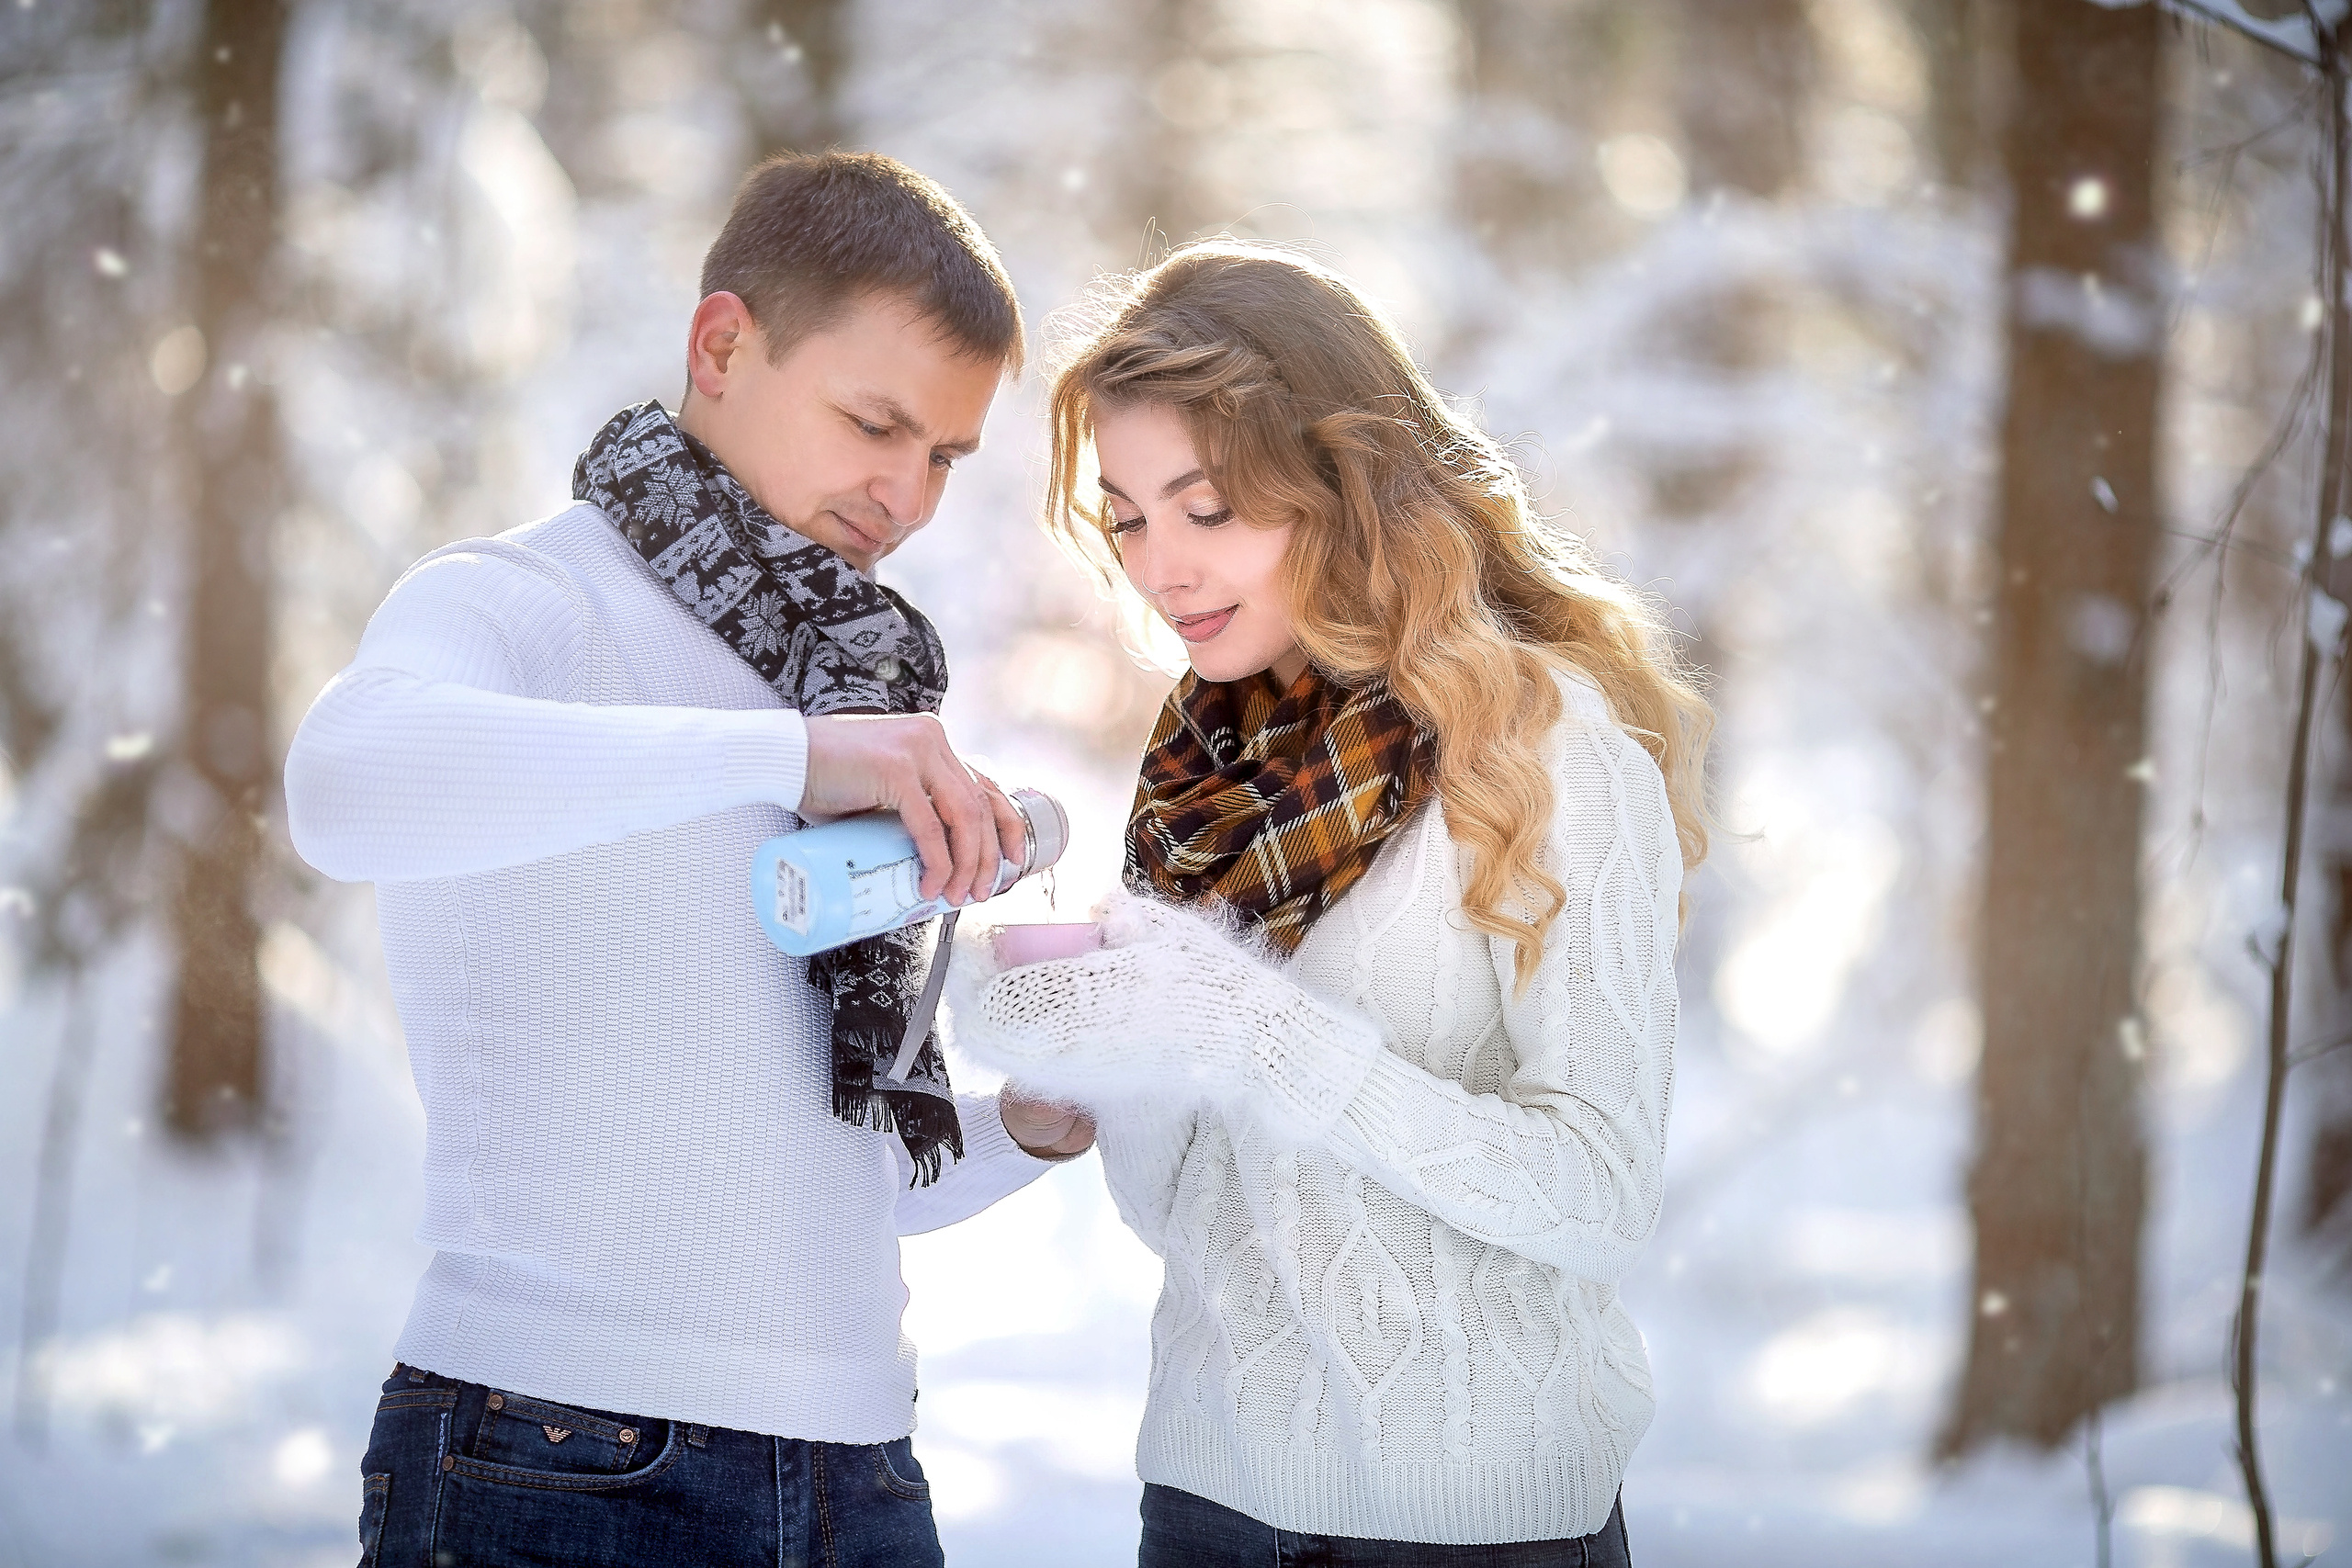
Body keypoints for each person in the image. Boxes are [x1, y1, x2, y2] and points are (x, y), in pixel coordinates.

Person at [285, 152, 1094, 1568]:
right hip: (556, 1461)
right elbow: (341, 784)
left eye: (947, 456)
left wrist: (1025, 1129)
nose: (907, 495)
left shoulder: (856, 680)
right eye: (874, 423)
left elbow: (813, 1172)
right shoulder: (520, 601)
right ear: (722, 345)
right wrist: (779, 756)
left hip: (861, 1477)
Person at [947, 243, 1711, 1566]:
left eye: (1209, 509)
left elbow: (1597, 1192)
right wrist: (1095, 1045)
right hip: (1208, 1503)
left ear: (1341, 488)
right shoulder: (1208, 765)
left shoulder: (1548, 754)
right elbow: (1192, 1212)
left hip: (1469, 1527)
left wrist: (1254, 1030)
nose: (1162, 567)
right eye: (1128, 515)